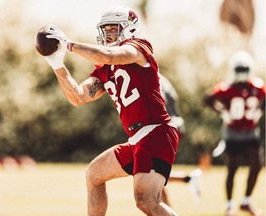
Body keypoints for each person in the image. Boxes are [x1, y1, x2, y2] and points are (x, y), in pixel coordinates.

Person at [42, 5, 180, 216]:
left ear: (130, 28)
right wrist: (57, 64)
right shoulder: (104, 70)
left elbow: (110, 55)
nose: (108, 34)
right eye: (105, 30)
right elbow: (78, 97)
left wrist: (68, 44)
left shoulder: (138, 47)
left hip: (156, 131)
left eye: (113, 29)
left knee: (146, 200)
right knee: (94, 175)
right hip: (136, 138)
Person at [203, 51, 265, 216]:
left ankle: (246, 201)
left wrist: (259, 111)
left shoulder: (258, 87)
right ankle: (230, 204)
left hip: (251, 132)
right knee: (233, 168)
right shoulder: (226, 88)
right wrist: (222, 111)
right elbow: (207, 99)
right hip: (233, 132)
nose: (242, 72)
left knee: (257, 164)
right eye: (239, 69)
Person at [159, 74, 202, 206]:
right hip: (173, 126)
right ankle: (188, 178)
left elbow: (160, 103)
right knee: (153, 173)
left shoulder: (149, 76)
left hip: (164, 128)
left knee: (150, 174)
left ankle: (188, 179)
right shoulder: (162, 78)